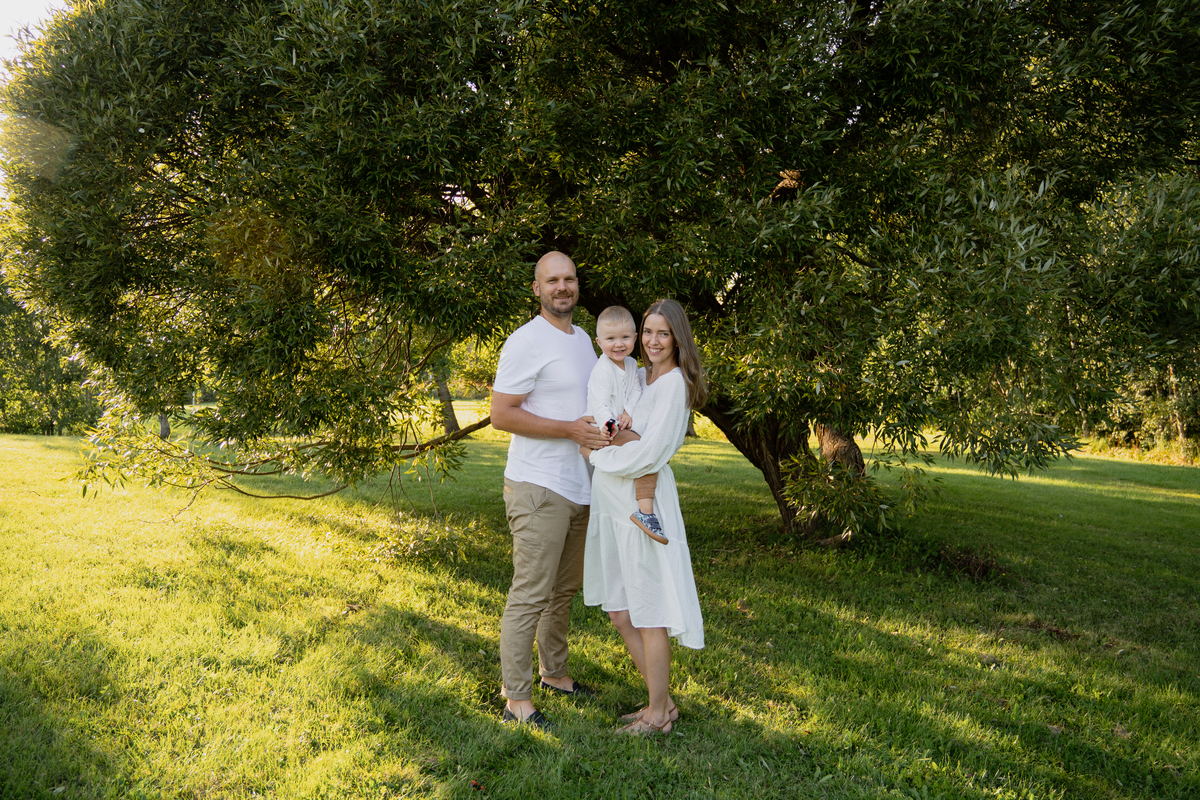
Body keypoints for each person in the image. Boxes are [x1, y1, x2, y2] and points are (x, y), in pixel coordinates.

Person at [490, 250, 610, 729]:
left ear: (577, 285)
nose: (563, 287)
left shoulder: (583, 340)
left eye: (570, 279)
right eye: (553, 280)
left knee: (562, 591)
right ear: (537, 289)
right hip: (539, 486)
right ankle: (516, 699)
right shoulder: (526, 341)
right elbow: (502, 414)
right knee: (531, 594)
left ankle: (554, 673)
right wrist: (569, 430)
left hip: (580, 485)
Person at [580, 298, 708, 736]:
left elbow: (652, 452)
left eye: (662, 333)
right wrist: (606, 438)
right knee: (621, 611)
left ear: (677, 339)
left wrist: (596, 454)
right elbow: (611, 420)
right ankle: (663, 701)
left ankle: (656, 716)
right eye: (648, 332)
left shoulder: (673, 385)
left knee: (648, 611)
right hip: (613, 504)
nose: (653, 341)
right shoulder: (641, 377)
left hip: (639, 508)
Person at [586, 306, 665, 544]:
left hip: (621, 424)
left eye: (625, 337)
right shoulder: (602, 370)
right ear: (599, 342)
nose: (618, 344)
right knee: (645, 453)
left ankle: (590, 451)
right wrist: (609, 427)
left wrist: (628, 411)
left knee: (648, 448)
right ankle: (645, 511)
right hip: (603, 426)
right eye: (611, 339)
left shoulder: (631, 364)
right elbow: (599, 404)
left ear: (635, 337)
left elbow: (636, 389)